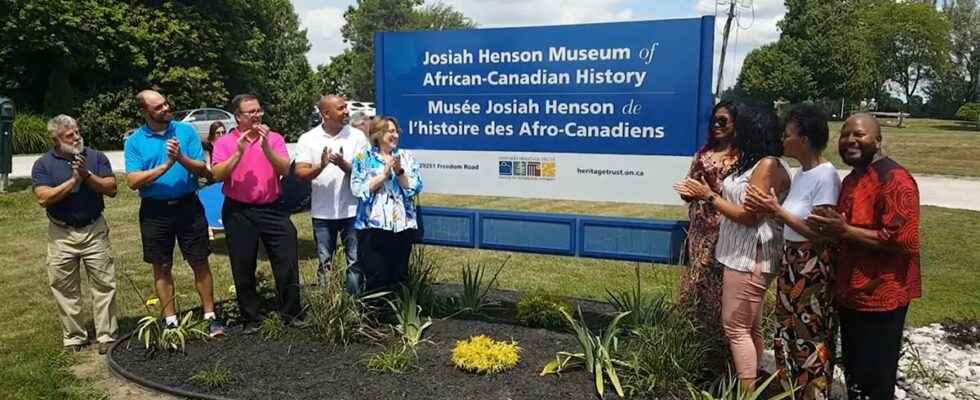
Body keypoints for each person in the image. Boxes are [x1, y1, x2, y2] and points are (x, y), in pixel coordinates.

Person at [674, 107, 790, 392]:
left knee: (736, 329)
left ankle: (746, 391)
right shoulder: (755, 163)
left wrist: (709, 196)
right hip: (740, 254)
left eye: (740, 127)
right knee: (750, 327)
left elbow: (749, 218)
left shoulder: (767, 166)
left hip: (749, 256)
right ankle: (755, 380)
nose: (734, 131)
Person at [806, 114, 920, 400]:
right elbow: (846, 229)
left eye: (859, 134)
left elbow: (902, 239)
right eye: (845, 135)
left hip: (883, 296)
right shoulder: (853, 179)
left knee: (876, 380)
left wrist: (844, 229)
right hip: (851, 293)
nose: (850, 141)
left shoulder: (895, 179)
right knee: (855, 376)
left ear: (878, 140)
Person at [744, 105, 840, 399]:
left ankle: (813, 394)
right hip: (790, 261)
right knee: (787, 333)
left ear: (806, 139)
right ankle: (792, 392)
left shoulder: (826, 176)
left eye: (788, 135)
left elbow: (821, 234)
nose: (783, 140)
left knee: (808, 338)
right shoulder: (801, 174)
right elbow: (793, 221)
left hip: (811, 266)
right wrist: (770, 211)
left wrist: (776, 211)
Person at [124, 90, 224, 337]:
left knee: (199, 260)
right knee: (161, 265)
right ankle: (170, 321)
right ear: (145, 112)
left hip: (188, 205)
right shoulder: (135, 141)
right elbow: (133, 180)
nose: (166, 108)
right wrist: (165, 166)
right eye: (158, 107)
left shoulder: (185, 131)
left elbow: (203, 170)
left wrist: (180, 158)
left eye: (166, 102)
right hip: (155, 211)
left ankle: (210, 316)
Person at [211, 94, 303, 332]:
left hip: (272, 207)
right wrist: (238, 153)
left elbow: (285, 169)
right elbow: (217, 174)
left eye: (258, 110)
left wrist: (265, 147)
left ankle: (291, 313)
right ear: (237, 117)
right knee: (243, 264)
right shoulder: (225, 143)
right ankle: (251, 318)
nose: (256, 115)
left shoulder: (273, 138)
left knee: (287, 258)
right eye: (250, 112)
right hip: (239, 210)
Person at [32, 115, 119, 354]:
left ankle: (107, 335)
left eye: (78, 132)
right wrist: (73, 181)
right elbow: (43, 197)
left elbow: (111, 189)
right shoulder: (43, 164)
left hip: (94, 229)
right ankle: (74, 337)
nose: (77, 137)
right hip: (61, 232)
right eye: (70, 136)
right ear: (56, 139)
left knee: (104, 283)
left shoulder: (96, 157)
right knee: (64, 285)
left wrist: (87, 175)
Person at [675, 101, 741, 373]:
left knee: (722, 291)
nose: (717, 125)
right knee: (697, 286)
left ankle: (723, 355)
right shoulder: (702, 154)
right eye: (714, 120)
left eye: (723, 121)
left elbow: (740, 197)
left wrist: (708, 192)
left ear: (736, 124)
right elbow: (689, 187)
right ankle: (697, 349)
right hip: (700, 231)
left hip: (727, 232)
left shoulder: (741, 158)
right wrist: (688, 192)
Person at [295, 95, 369, 285]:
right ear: (326, 113)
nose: (346, 111)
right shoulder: (308, 138)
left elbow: (367, 171)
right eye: (341, 108)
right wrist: (321, 165)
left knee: (355, 262)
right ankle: (328, 307)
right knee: (325, 263)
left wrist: (344, 165)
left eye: (346, 107)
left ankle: (354, 306)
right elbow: (300, 172)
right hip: (322, 213)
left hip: (352, 211)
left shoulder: (357, 136)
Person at [349, 116, 422, 294]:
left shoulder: (406, 157)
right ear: (378, 134)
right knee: (376, 276)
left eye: (397, 131)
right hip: (373, 227)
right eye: (391, 131)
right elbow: (358, 189)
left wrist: (399, 172)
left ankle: (397, 318)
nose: (395, 135)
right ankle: (375, 319)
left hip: (401, 226)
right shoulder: (363, 157)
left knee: (398, 276)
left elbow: (414, 187)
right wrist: (384, 175)